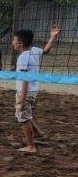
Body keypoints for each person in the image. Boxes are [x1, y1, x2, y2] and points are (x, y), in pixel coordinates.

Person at [12, 25, 60, 154]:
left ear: (20, 43)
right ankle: (38, 132)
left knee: (23, 118)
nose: (13, 42)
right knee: (24, 114)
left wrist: (22, 99)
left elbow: (25, 79)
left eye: (14, 40)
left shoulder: (23, 58)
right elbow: (46, 50)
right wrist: (52, 37)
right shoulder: (34, 50)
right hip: (33, 89)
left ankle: (31, 146)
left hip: (25, 91)